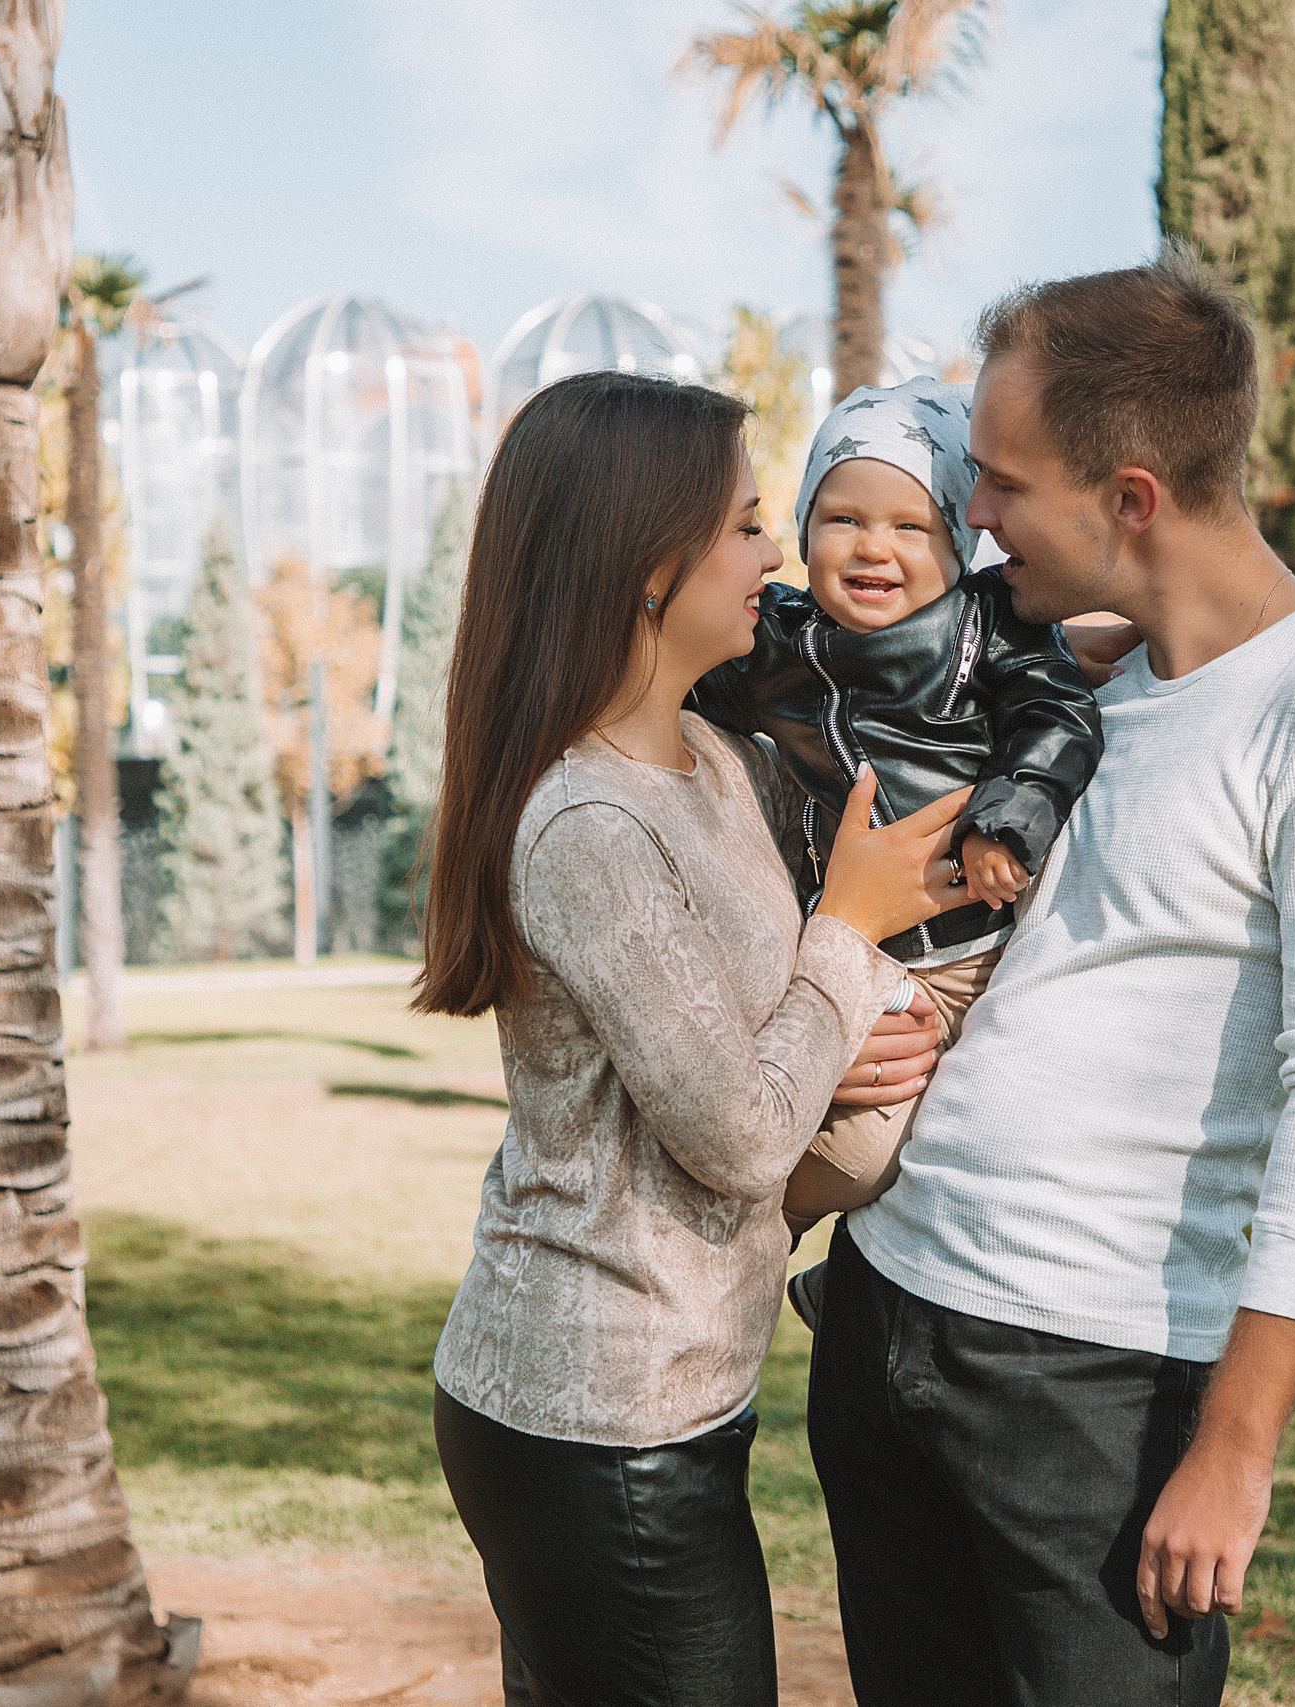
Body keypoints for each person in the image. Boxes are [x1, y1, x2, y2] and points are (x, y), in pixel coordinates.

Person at [805, 251, 1295, 1705]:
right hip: (885, 1312)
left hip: (1090, 1392)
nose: (968, 515)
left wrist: (1232, 1449)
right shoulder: (1077, 674)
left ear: (1133, 499)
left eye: (1002, 482)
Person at [414, 370, 976, 1707]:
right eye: (743, 522)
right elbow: (733, 1133)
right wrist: (847, 929)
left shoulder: (715, 761)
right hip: (596, 1423)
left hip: (656, 1399)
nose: (776, 551)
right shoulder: (587, 821)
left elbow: (757, 1031)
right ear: (644, 564)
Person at [688, 376, 1103, 1252]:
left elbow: (1056, 714)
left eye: (911, 526)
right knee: (851, 1140)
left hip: (973, 953)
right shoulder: (778, 640)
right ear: (803, 530)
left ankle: (814, 1259)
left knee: (926, 1147)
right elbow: (690, 686)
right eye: (843, 520)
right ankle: (755, 1245)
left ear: (959, 543)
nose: (875, 548)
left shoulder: (988, 629)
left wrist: (1008, 820)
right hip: (847, 948)